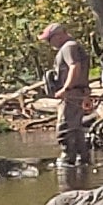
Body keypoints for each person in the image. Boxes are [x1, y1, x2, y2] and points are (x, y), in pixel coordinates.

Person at [39, 19, 96, 162]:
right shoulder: (73, 46)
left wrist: (66, 88)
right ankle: (82, 160)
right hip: (79, 92)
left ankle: (67, 159)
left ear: (58, 36)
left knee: (65, 127)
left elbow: (74, 67)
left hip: (72, 94)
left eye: (49, 40)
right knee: (76, 128)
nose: (49, 44)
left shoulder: (68, 47)